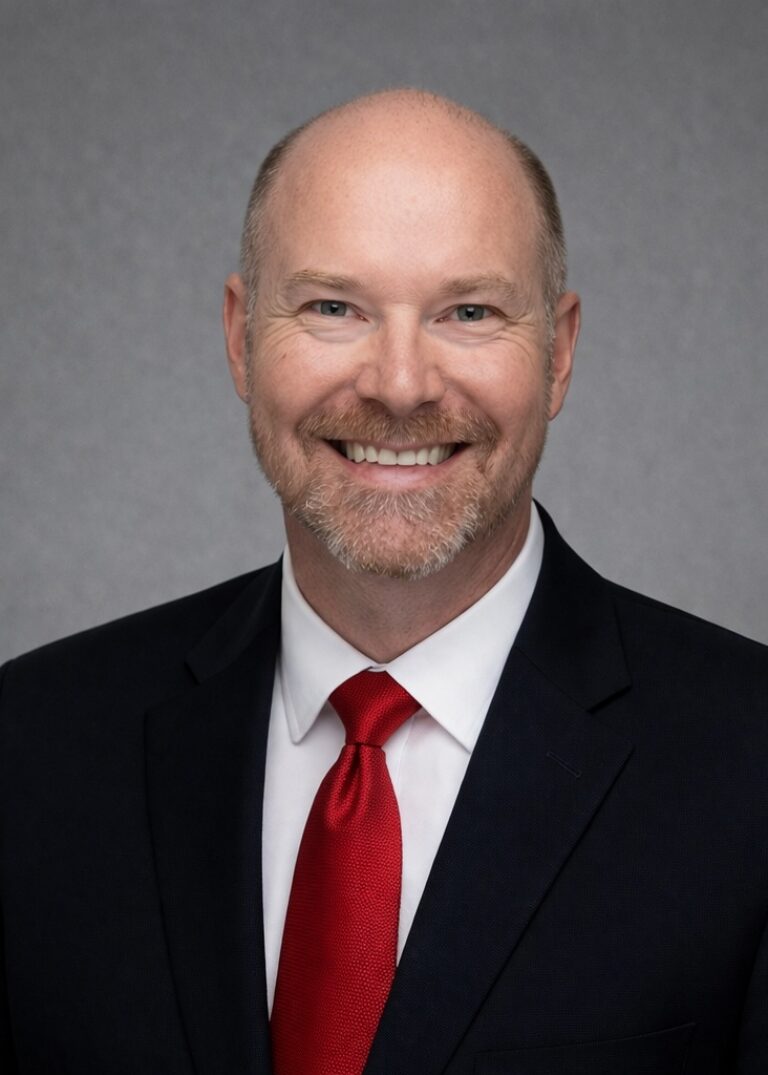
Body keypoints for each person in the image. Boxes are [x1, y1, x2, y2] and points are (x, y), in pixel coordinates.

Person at [0, 89, 765, 1075]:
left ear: (560, 351)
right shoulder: (30, 748)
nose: (399, 385)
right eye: (332, 306)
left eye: (469, 310)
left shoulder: (750, 765)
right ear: (240, 336)